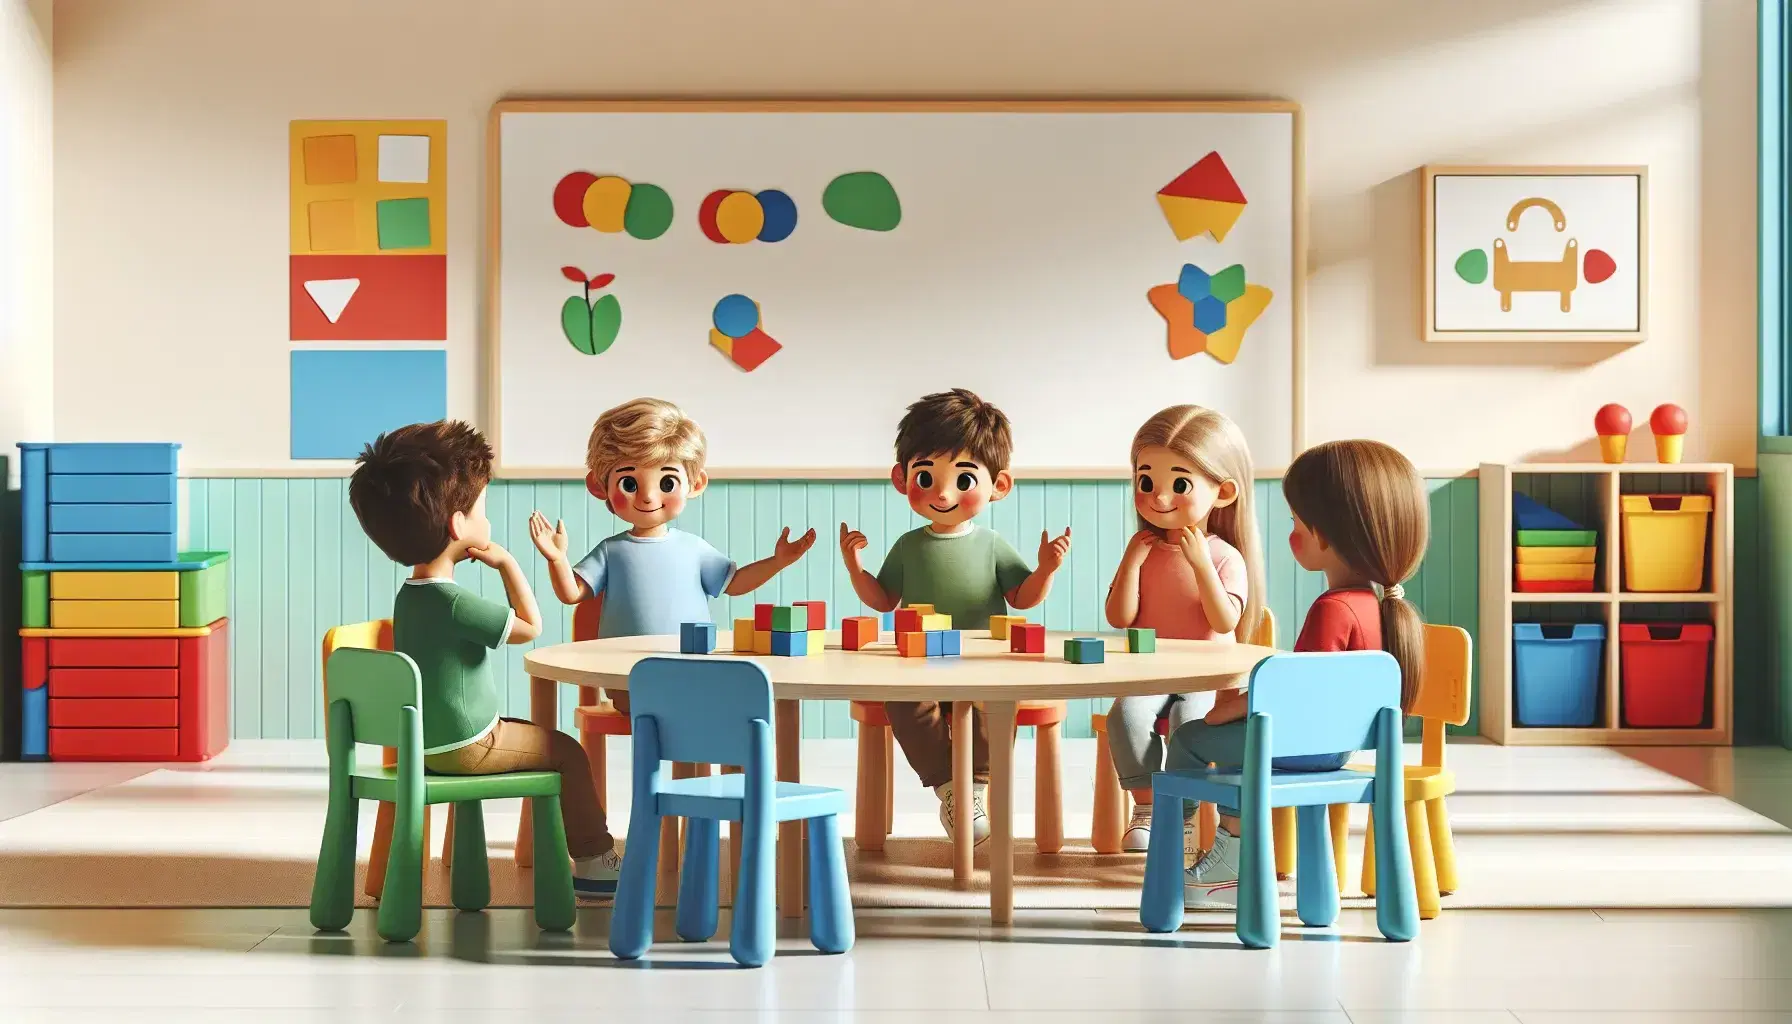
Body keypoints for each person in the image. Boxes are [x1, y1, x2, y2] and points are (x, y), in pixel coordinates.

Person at [348, 420, 620, 895]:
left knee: (529, 733)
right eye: (482, 510)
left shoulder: (408, 596)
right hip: (467, 747)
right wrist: (508, 563)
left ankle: (592, 856)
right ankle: (597, 859)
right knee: (567, 752)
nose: (486, 522)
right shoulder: (453, 602)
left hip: (422, 744)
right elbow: (530, 626)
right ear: (459, 525)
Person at [1170, 439, 1428, 906]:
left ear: (1324, 536)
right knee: (1236, 749)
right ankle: (1230, 850)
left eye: (1295, 523)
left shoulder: (1333, 610)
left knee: (1188, 737)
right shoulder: (1383, 609)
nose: (1291, 532)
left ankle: (1194, 846)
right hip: (1336, 750)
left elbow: (1291, 698)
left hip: (1302, 749)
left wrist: (1231, 707)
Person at [839, 388, 1071, 845]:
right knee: (902, 701)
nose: (943, 493)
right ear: (902, 478)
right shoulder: (909, 547)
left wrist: (1045, 569)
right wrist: (855, 569)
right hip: (919, 662)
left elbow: (1022, 599)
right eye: (926, 477)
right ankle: (951, 789)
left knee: (991, 704)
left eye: (964, 480)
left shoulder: (991, 544)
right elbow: (884, 601)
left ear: (997, 487)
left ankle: (976, 788)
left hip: (981, 664)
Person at [528, 397, 816, 716]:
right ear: (600, 487)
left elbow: (733, 583)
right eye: (629, 483)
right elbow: (572, 594)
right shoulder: (612, 551)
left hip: (694, 673)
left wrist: (777, 562)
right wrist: (557, 558)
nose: (649, 496)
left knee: (720, 705)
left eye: (667, 482)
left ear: (695, 484)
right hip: (629, 680)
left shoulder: (694, 548)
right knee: (688, 711)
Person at [1103, 405, 1264, 851]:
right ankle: (1149, 805)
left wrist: (1200, 565)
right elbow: (1119, 618)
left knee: (1186, 724)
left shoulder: (1225, 556)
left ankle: (1185, 809)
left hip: (1206, 677)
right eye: (1146, 481)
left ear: (1224, 492)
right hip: (1151, 671)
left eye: (1179, 484)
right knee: (1126, 714)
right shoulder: (1145, 549)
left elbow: (1224, 621)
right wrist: (1132, 560)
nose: (1159, 497)